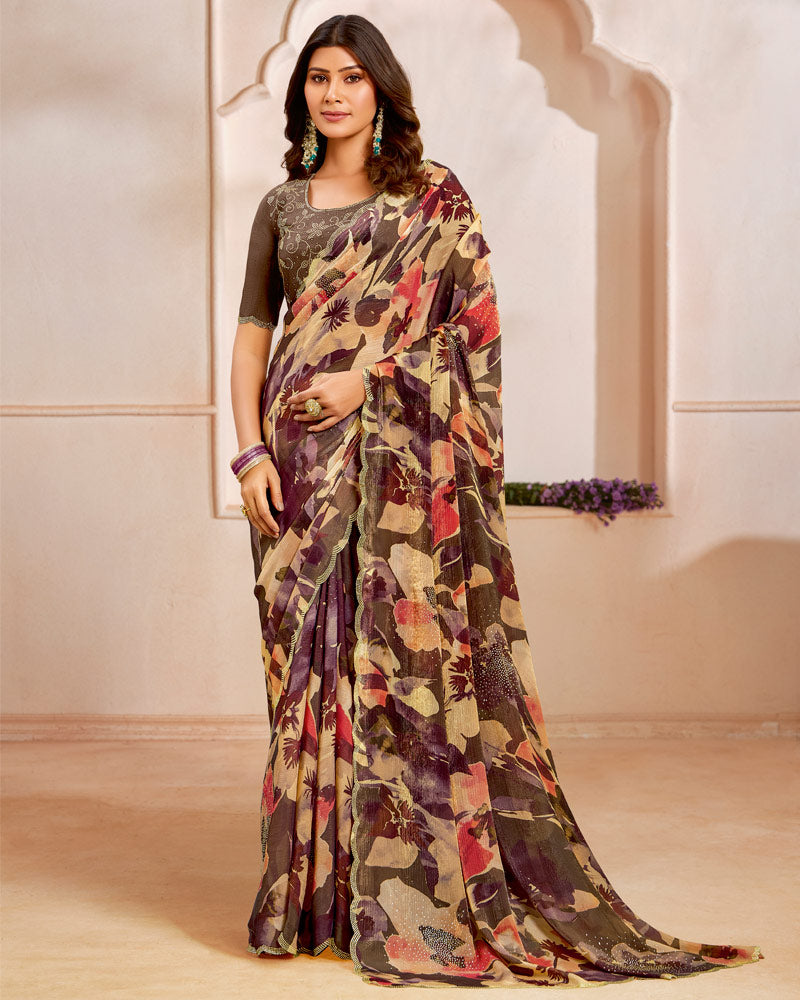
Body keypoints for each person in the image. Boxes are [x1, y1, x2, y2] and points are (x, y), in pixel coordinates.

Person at [229, 12, 764, 988]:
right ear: (301, 93)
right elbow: (251, 341)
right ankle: (312, 896)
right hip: (295, 472)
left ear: (381, 92)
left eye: (351, 77)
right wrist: (248, 454)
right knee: (305, 677)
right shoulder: (280, 206)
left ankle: (401, 892)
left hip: (394, 472)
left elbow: (468, 338)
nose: (333, 93)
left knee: (396, 670)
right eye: (318, 77)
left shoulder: (432, 200)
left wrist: (365, 382)